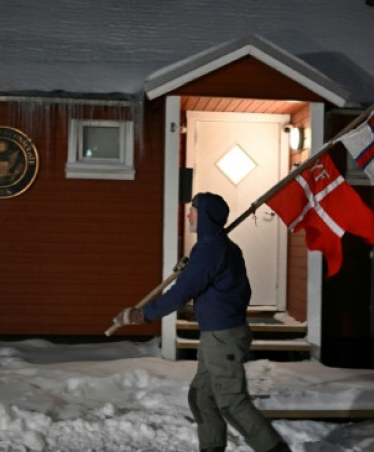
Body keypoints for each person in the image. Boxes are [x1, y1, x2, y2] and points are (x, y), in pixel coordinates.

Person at [113, 192, 291, 452]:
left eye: (193, 210)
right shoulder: (212, 248)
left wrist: (143, 315)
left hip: (224, 337)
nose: (188, 215)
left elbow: (180, 293)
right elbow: (204, 278)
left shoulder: (212, 250)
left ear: (205, 216)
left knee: (231, 402)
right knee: (202, 398)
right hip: (216, 336)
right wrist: (190, 265)